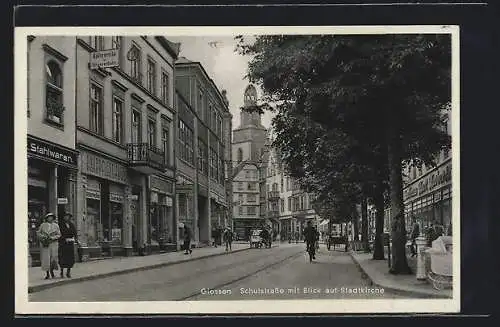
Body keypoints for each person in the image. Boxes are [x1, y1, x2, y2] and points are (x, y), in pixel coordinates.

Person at [37, 213, 61, 279]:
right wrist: (43, 237)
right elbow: (38, 233)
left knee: (53, 258)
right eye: (48, 217)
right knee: (46, 259)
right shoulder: (42, 225)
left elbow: (59, 234)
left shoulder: (56, 225)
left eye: (51, 217)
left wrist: (53, 237)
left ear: (53, 218)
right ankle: (47, 273)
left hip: (54, 243)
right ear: (46, 218)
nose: (50, 219)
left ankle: (52, 271)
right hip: (46, 244)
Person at [58, 212, 77, 278]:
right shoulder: (60, 225)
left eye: (68, 216)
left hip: (70, 243)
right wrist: (64, 239)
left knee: (70, 258)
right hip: (63, 244)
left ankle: (68, 272)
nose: (67, 218)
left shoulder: (71, 225)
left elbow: (75, 232)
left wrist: (75, 239)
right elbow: (59, 234)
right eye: (65, 216)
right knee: (63, 258)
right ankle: (61, 272)